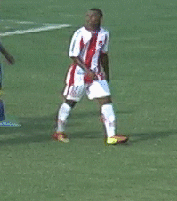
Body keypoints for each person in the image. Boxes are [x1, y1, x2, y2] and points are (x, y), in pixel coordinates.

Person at [52, 8, 128, 145]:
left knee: (106, 100)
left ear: (99, 18)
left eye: (92, 16)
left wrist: (106, 75)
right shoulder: (80, 34)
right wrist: (87, 70)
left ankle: (111, 136)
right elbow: (74, 55)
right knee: (70, 101)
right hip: (78, 74)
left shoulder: (104, 34)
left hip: (97, 74)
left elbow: (104, 55)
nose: (89, 18)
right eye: (87, 16)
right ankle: (59, 131)